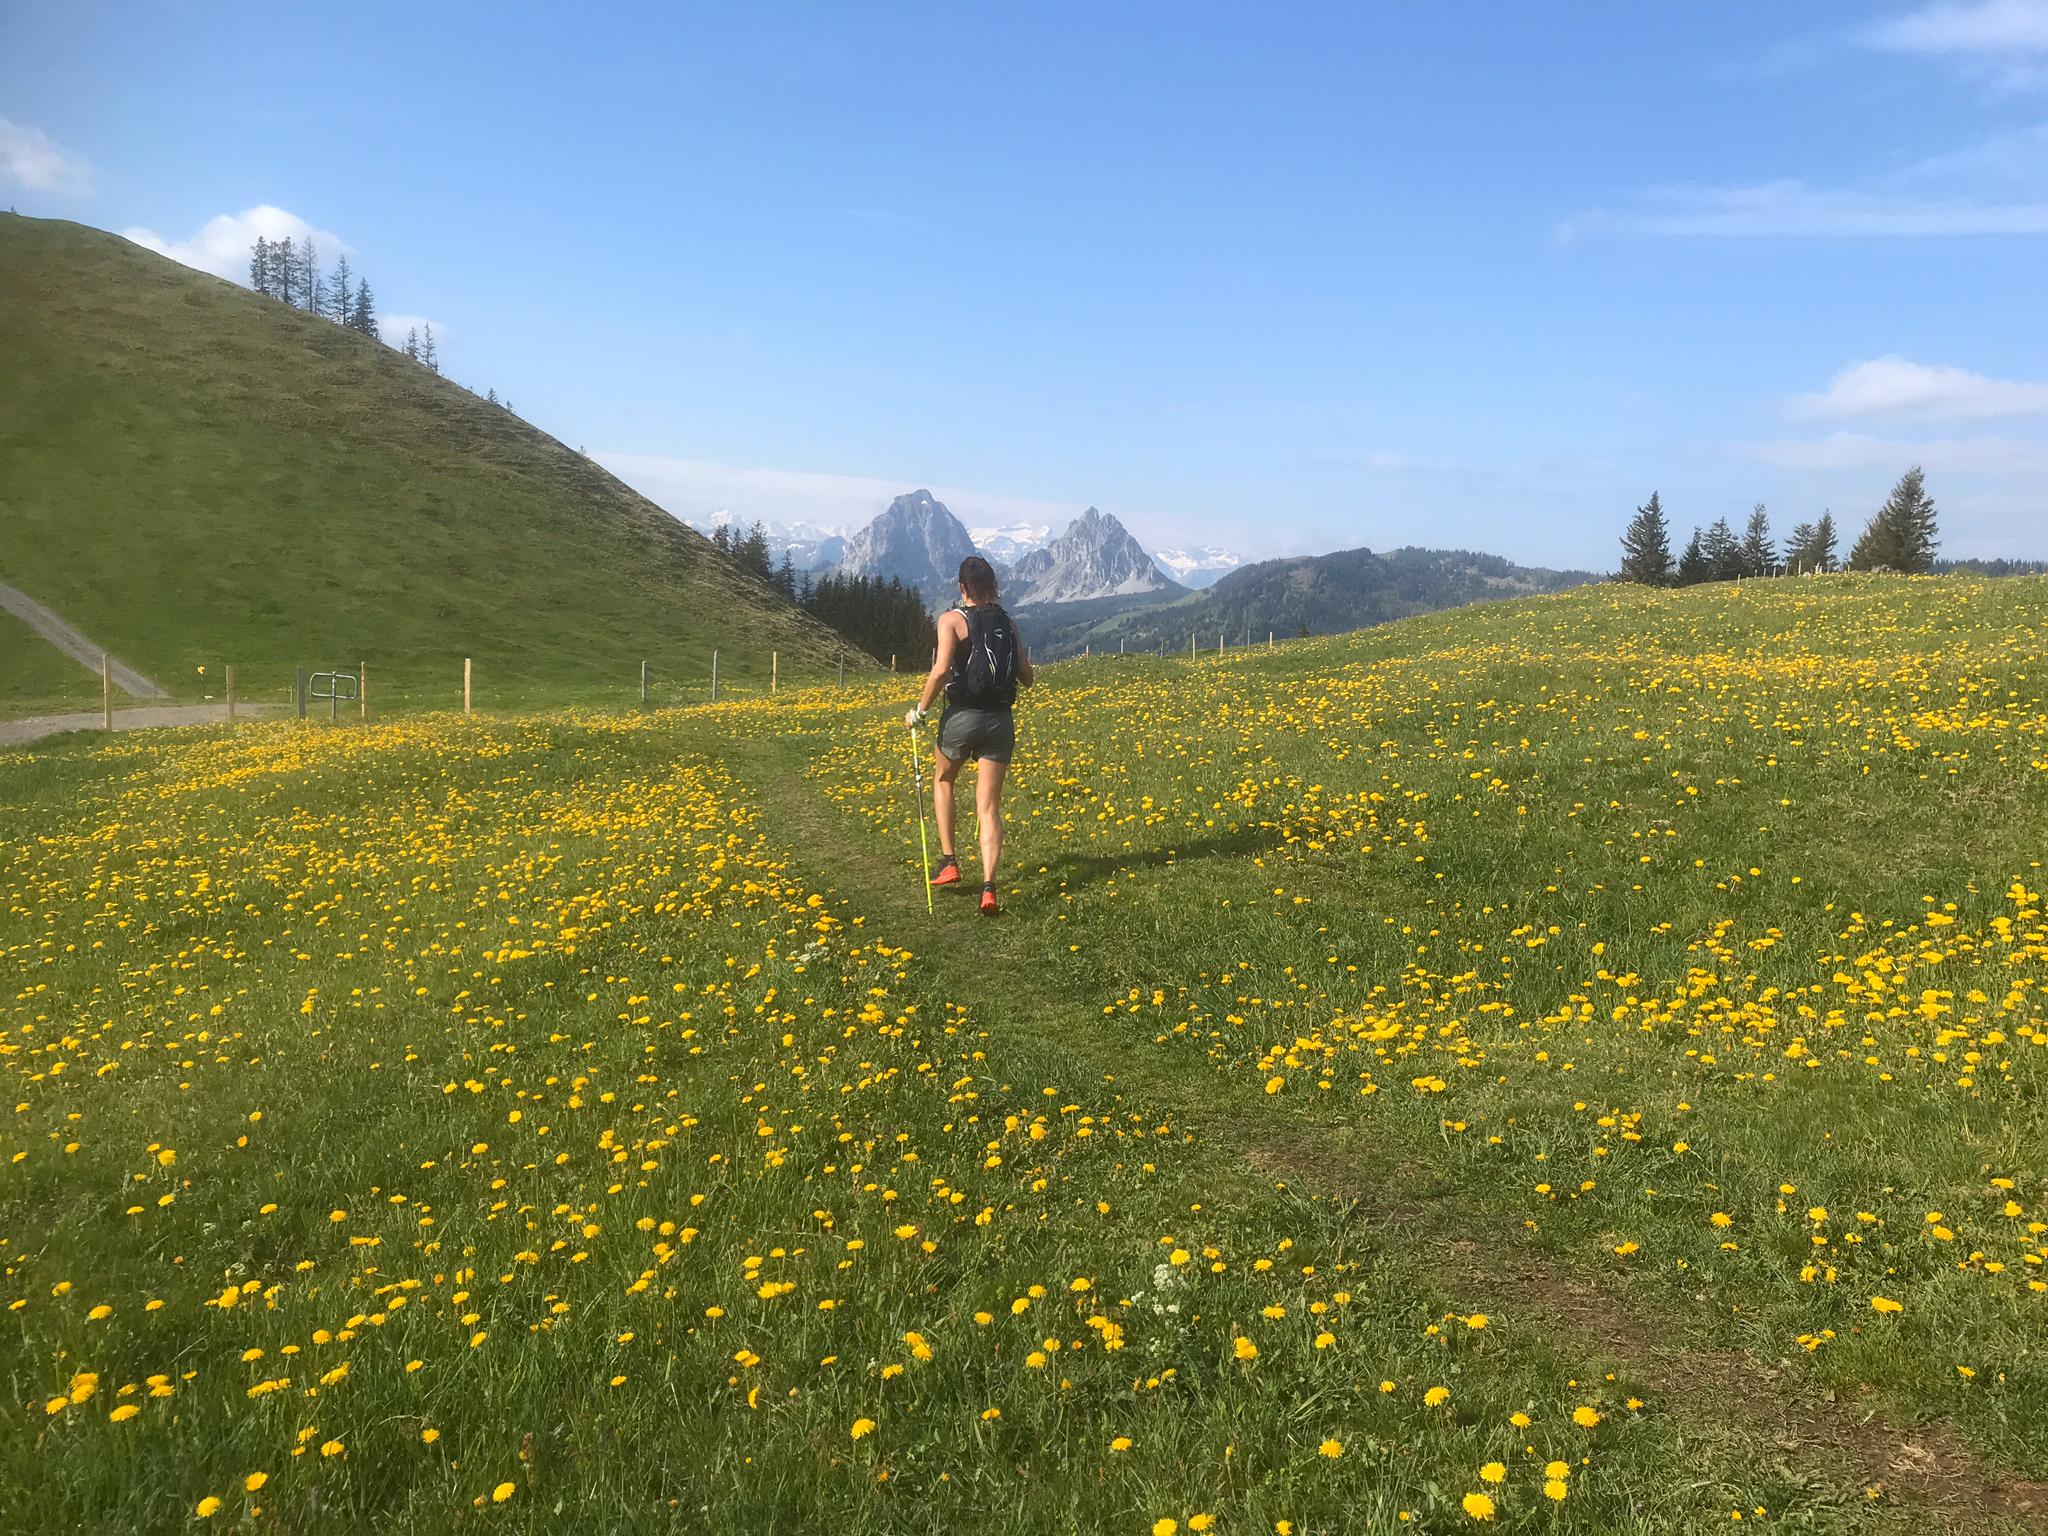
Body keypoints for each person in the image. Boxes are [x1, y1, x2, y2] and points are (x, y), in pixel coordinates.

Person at [904, 555, 1033, 915]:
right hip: (1000, 722)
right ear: (993, 586)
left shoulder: (951, 620)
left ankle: (949, 862)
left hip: (961, 717)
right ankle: (989, 888)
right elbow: (1027, 676)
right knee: (988, 808)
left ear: (961, 587)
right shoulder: (1008, 622)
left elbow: (941, 670)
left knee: (943, 779)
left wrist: (920, 711)